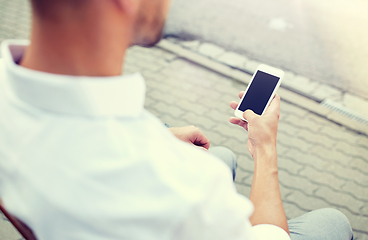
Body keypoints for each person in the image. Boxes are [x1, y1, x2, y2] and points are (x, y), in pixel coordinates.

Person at [0, 0, 353, 239]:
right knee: (333, 223)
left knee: (221, 157)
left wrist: (159, 137)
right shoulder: (181, 191)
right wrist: (266, 149)